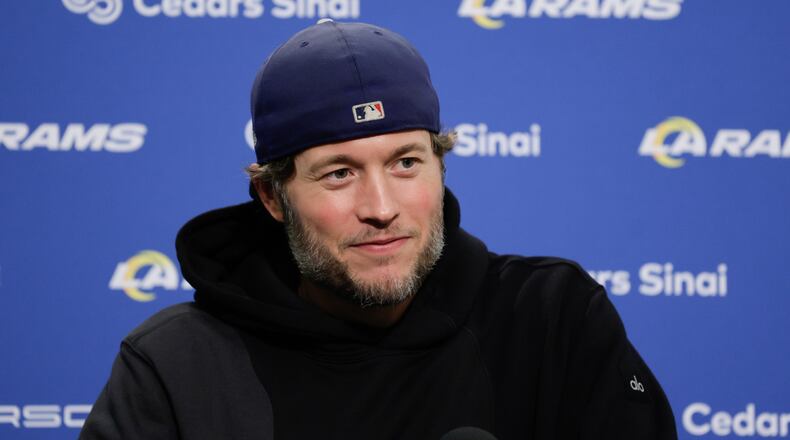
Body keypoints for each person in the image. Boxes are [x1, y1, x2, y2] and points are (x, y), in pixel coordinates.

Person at [80, 20, 677, 440]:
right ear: (272, 196)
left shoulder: (553, 319)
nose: (382, 206)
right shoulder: (174, 366)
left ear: (441, 167)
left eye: (406, 162)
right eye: (339, 173)